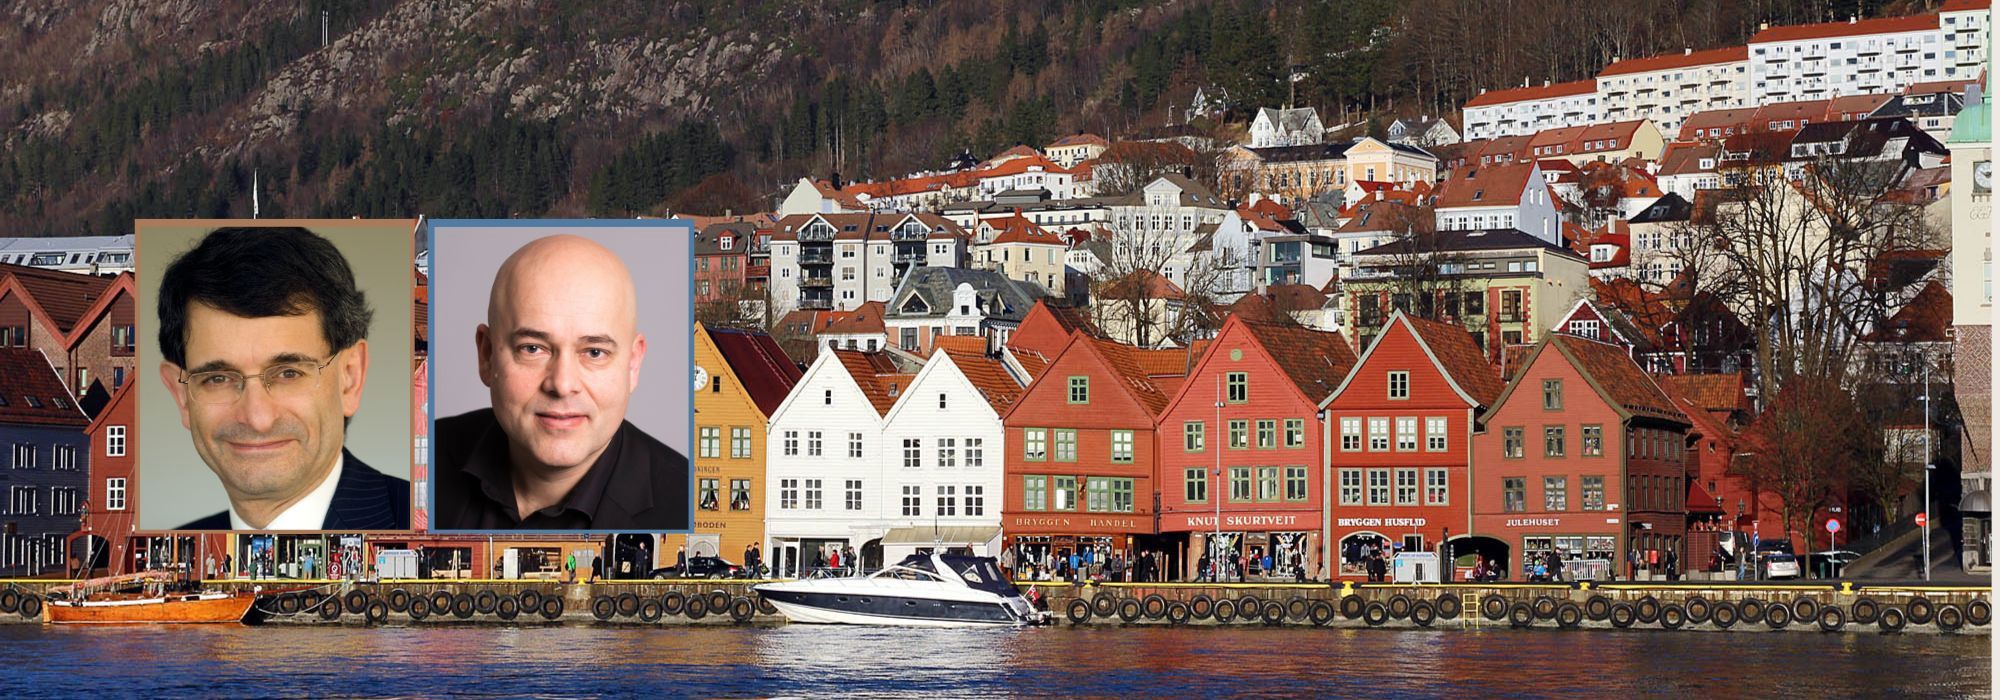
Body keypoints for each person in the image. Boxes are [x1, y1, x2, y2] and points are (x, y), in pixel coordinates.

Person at [157, 227, 410, 530]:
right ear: (182, 397)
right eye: (218, 378)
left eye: (289, 373)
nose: (257, 418)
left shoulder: (419, 517)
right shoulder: (180, 539)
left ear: (350, 377)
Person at [434, 235, 690, 530]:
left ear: (632, 364)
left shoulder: (684, 503)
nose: (562, 384)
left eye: (594, 352)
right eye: (532, 348)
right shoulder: (431, 458)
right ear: (487, 355)